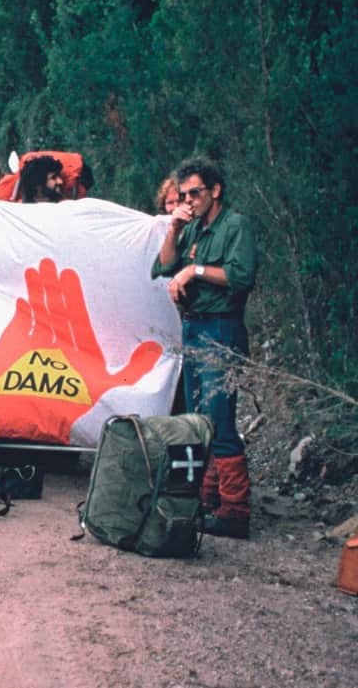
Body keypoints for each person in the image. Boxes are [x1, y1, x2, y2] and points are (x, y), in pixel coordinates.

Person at [151, 157, 257, 539]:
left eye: (195, 192)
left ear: (215, 191)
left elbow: (241, 275)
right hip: (193, 328)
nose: (189, 200)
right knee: (199, 419)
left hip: (221, 329)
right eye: (183, 195)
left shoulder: (235, 226)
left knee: (220, 417)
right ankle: (209, 498)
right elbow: (163, 266)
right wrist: (174, 227)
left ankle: (235, 509)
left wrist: (193, 271)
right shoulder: (193, 228)